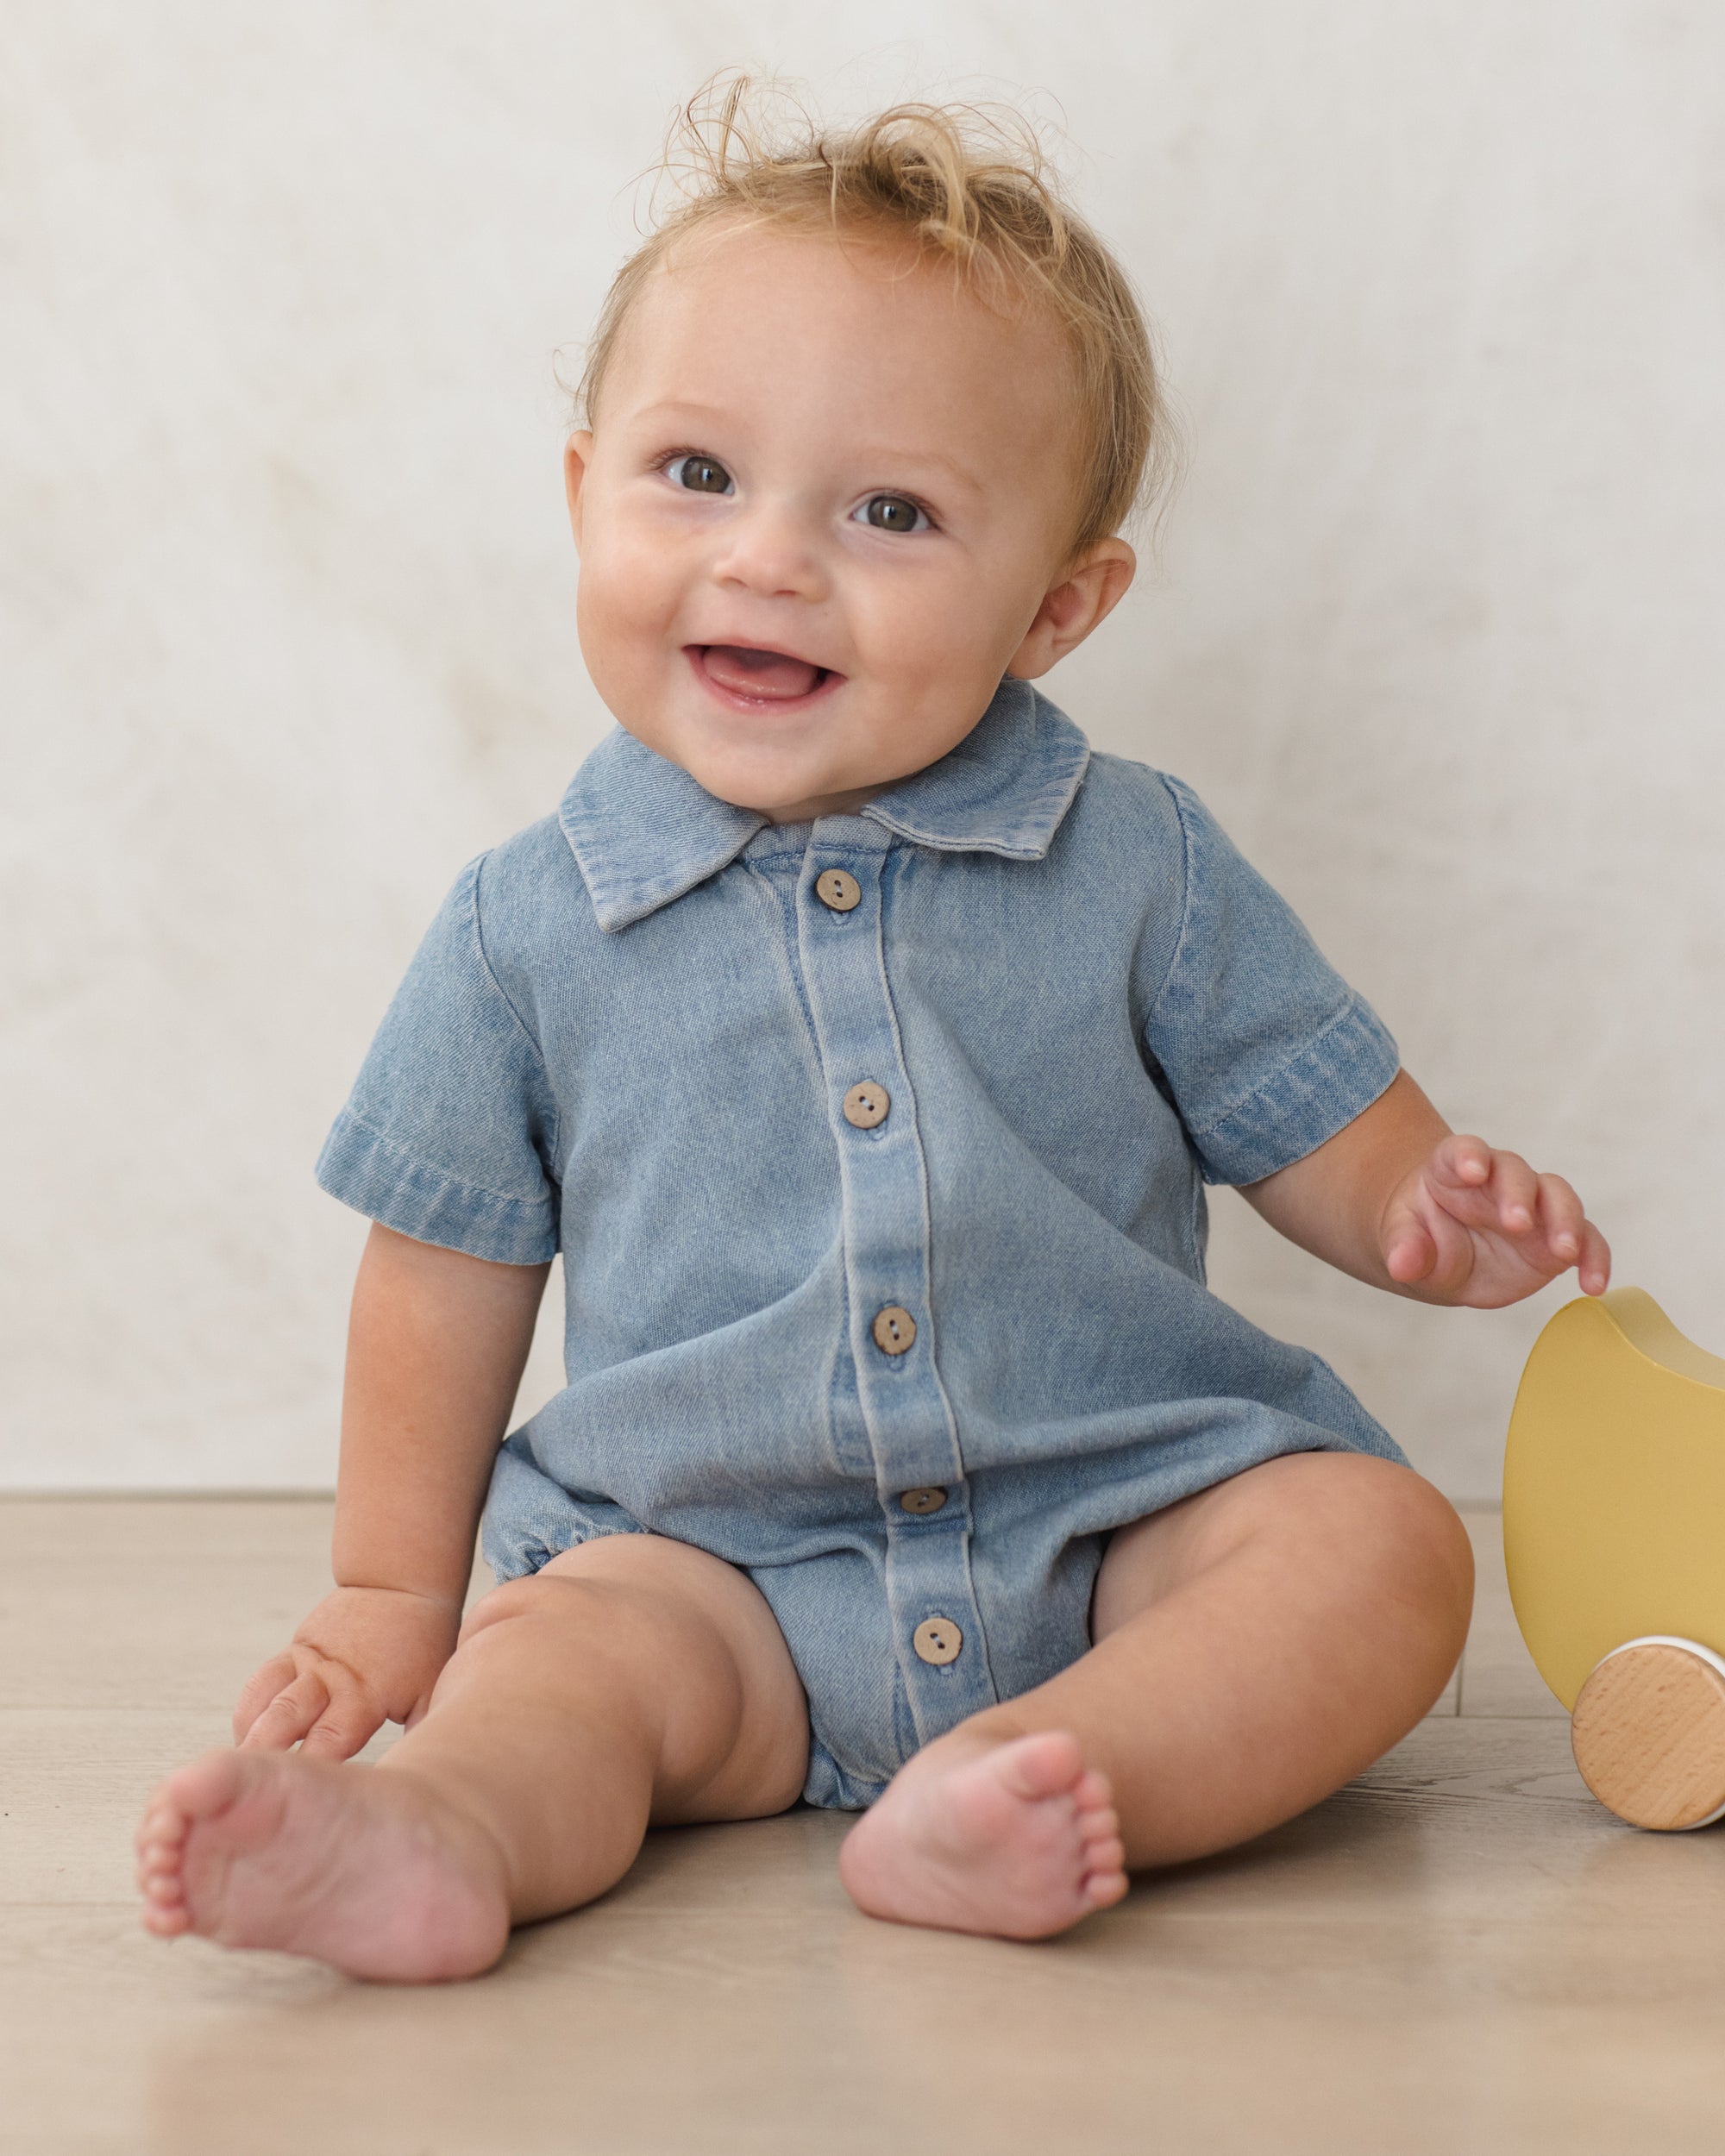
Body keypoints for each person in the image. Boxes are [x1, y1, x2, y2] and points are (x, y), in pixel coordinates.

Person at [135, 83, 1608, 1980]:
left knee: (1381, 1548)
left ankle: (1043, 1774)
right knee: (559, 1666)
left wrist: (1423, 1203)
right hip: (709, 1572)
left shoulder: (1135, 858)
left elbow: (1305, 1113)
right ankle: (447, 1833)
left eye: (890, 511)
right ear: (580, 493)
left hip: (1117, 1529)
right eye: (695, 473)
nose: (767, 559)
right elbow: (440, 1272)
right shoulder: (524, 927)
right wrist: (387, 1591)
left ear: (1056, 607)